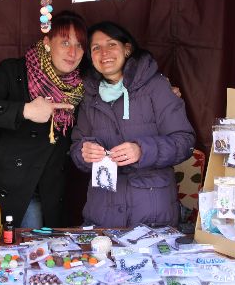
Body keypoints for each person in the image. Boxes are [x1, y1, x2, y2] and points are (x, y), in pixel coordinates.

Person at [0, 11, 87, 228]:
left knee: (36, 248)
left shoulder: (82, 85)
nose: (72, 52)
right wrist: (24, 110)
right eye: (64, 42)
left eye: (79, 45)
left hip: (41, 191)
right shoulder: (14, 71)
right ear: (47, 43)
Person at [70, 21, 195, 228]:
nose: (104, 53)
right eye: (96, 48)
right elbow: (76, 147)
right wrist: (84, 152)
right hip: (103, 212)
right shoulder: (89, 95)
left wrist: (142, 150)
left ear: (127, 49)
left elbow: (185, 142)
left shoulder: (156, 87)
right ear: (90, 57)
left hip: (152, 213)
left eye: (112, 44)